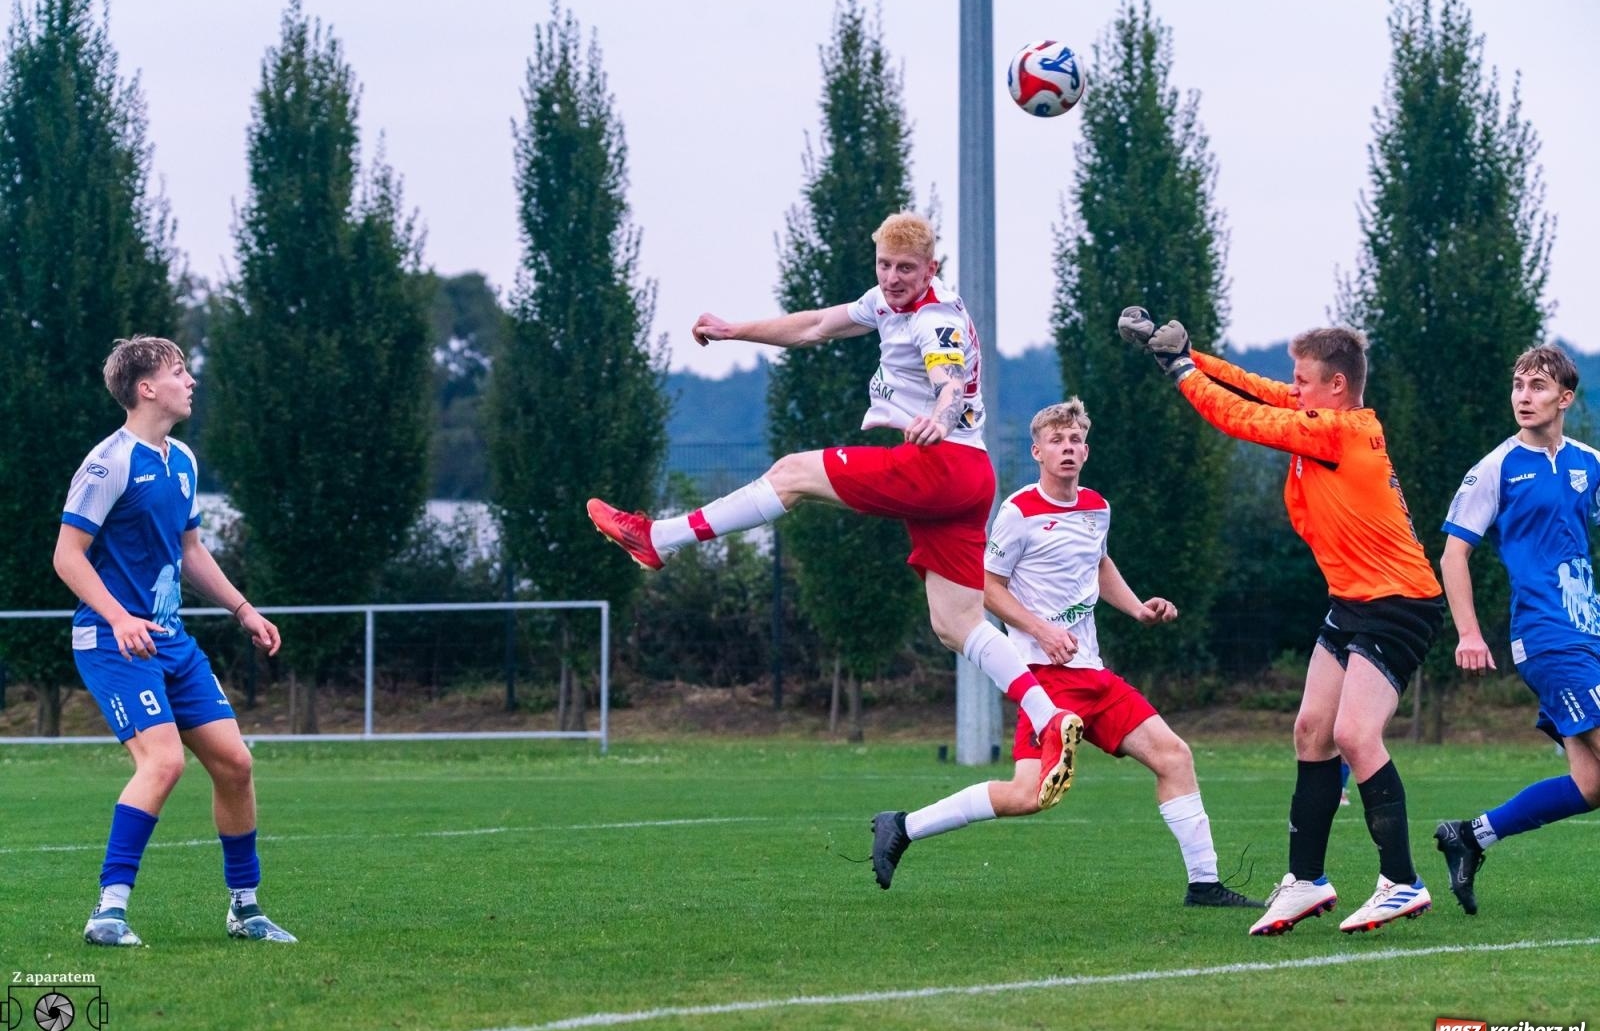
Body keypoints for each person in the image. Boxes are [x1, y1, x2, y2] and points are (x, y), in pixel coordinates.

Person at [588, 211, 1084, 809]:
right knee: (957, 624)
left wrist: (943, 412)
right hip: (966, 478)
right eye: (885, 266)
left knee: (793, 474)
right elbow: (816, 326)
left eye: (907, 268)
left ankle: (658, 537)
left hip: (942, 463)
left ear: (933, 268)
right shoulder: (886, 301)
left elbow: (948, 379)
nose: (894, 277)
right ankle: (1050, 715)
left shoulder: (936, 317)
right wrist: (735, 328)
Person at [1118, 308, 1444, 936]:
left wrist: (1185, 372)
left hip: (1399, 603)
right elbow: (1261, 391)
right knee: (1311, 731)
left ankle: (1402, 882)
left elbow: (1243, 415)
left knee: (1353, 735)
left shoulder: (1338, 432)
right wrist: (1187, 356)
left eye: (1303, 381)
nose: (1291, 389)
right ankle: (1305, 881)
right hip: (1354, 601)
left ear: (1338, 387)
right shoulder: (1322, 414)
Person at [869, 400, 1263, 908]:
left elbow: (1099, 564)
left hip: (1093, 675)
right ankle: (903, 826)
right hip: (1043, 679)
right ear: (1038, 451)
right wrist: (1040, 630)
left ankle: (1205, 885)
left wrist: (1139, 609)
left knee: (1174, 756)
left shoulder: (1097, 507)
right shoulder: (1018, 511)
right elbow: (985, 586)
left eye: (1075, 440)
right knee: (1028, 795)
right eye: (1057, 441)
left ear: (1086, 450)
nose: (1068, 449)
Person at [54, 336, 295, 947]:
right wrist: (118, 618)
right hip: (113, 642)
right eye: (179, 371)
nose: (191, 381)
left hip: (171, 641)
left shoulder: (182, 460)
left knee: (236, 764)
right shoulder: (109, 463)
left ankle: (245, 909)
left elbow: (189, 552)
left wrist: (243, 609)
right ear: (146, 389)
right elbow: (67, 556)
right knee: (163, 762)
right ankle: (108, 912)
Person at [1435, 345, 1600, 914]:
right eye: (1518, 386)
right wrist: (1470, 634)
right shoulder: (1496, 468)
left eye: (1537, 386)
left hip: (1589, 634)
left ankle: (1470, 835)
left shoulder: (1589, 462)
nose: (1524, 397)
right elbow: (1453, 556)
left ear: (1565, 398)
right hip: (1548, 639)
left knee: (1591, 785)